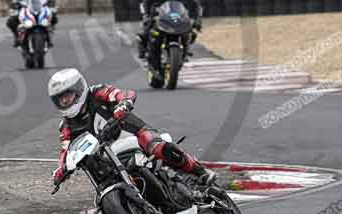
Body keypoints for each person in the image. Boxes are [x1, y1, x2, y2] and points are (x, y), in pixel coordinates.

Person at [48, 68, 216, 187]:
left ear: (79, 89)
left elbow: (122, 93)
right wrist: (60, 169)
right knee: (98, 177)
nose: (65, 101)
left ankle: (200, 171)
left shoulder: (96, 93)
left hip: (130, 134)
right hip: (108, 156)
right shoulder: (66, 126)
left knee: (156, 146)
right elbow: (65, 150)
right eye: (60, 99)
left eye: (68, 95)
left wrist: (124, 103)